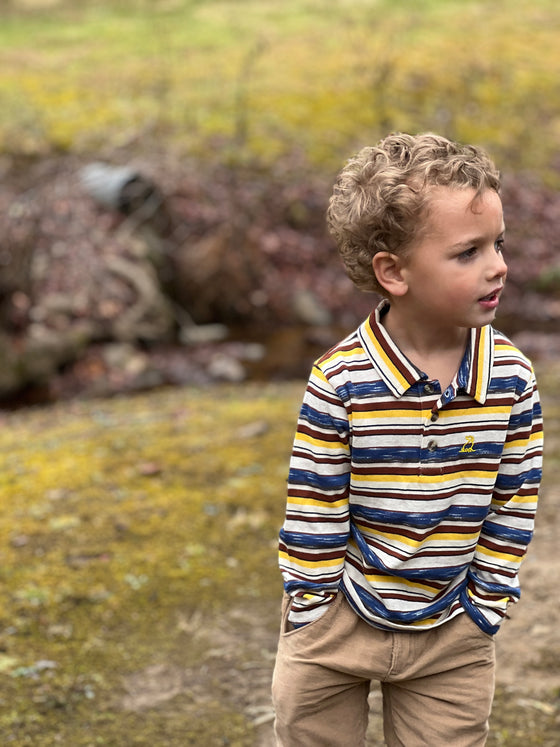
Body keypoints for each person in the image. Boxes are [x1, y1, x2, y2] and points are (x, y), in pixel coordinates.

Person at [271, 132, 543, 746]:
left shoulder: (512, 381)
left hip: (453, 632)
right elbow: (315, 507)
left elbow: (514, 502)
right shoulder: (342, 381)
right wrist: (313, 610)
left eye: (498, 244)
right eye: (467, 252)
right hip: (336, 624)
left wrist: (486, 604)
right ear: (394, 272)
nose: (498, 265)